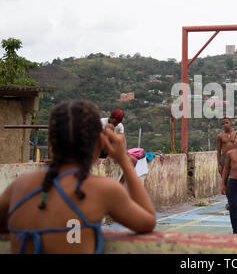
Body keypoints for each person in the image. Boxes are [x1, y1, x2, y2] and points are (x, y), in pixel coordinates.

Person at [0, 100, 156, 253]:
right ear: (100, 141)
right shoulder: (104, 189)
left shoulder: (19, 185)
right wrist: (124, 161)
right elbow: (148, 220)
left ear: (52, 141)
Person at [216, 118, 236, 210]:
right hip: (224, 160)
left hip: (235, 159)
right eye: (223, 123)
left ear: (231, 123)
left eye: (227, 123)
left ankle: (236, 200)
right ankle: (230, 201)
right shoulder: (220, 136)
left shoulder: (236, 135)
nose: (225, 125)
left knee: (235, 181)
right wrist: (219, 164)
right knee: (226, 182)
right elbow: (218, 151)